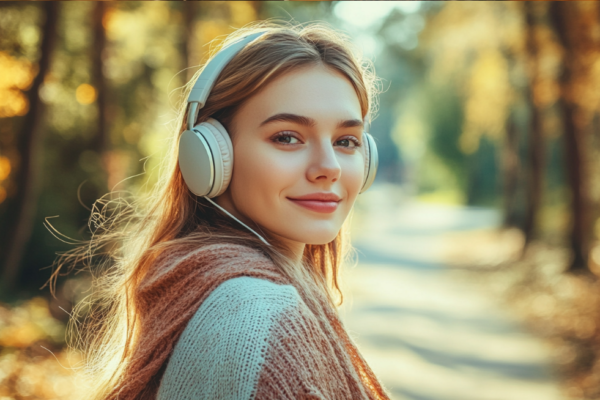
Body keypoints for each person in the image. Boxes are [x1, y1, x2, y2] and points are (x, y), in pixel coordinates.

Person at [54, 21, 390, 400]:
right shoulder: (262, 318)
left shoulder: (210, 289)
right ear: (211, 155)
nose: (328, 167)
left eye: (347, 141)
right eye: (287, 137)